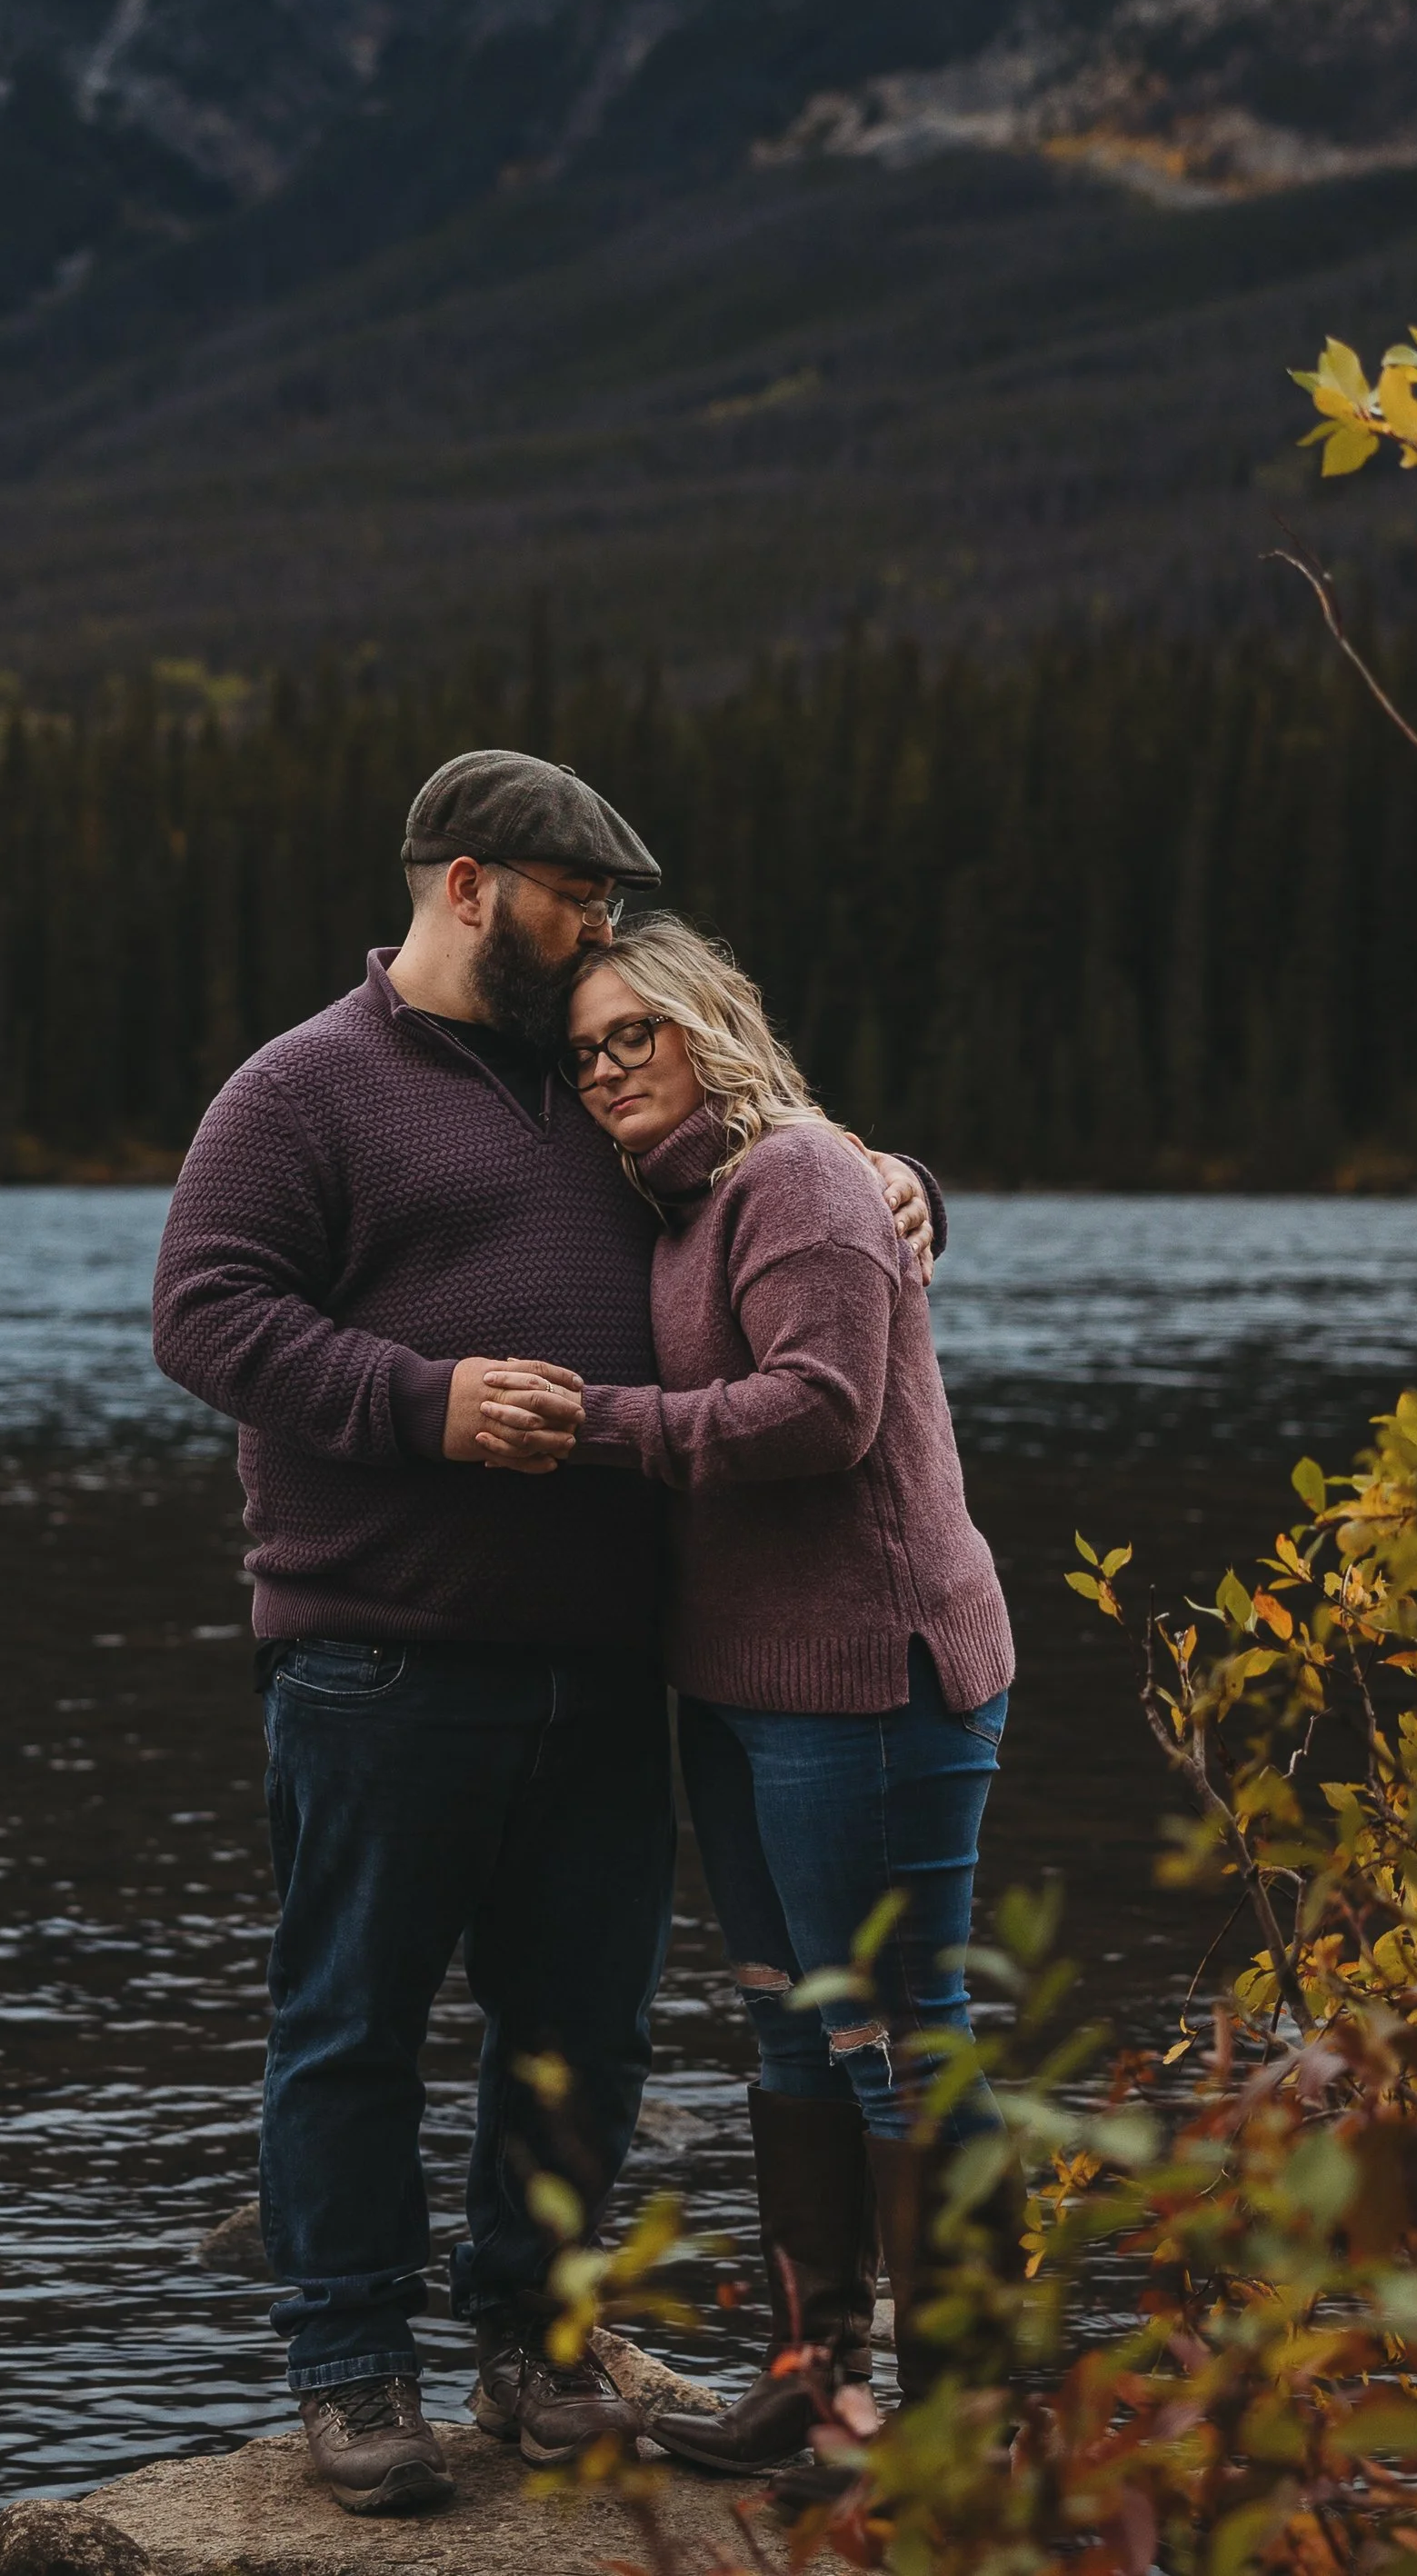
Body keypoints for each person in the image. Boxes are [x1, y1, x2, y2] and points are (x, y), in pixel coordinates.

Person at [150, 752, 937, 2516]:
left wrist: (902, 1186)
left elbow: (783, 1176)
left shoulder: (601, 1082)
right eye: (574, 898)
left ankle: (534, 2346)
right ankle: (355, 2372)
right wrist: (424, 1404)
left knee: (580, 2025)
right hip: (375, 1655)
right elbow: (203, 1316)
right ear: (466, 888)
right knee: (348, 2021)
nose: (601, 932)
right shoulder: (301, 1090)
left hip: (603, 1658)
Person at [472, 915, 1014, 2477]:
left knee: (905, 2030)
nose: (606, 1070)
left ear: (709, 1022)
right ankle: (818, 2386)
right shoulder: (679, 1199)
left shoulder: (798, 1176)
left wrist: (602, 1428)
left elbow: (826, 1413)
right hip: (740, 1687)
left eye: (631, 1034)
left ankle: (965, 2420)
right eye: (582, 1054)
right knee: (790, 2032)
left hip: (878, 1678)